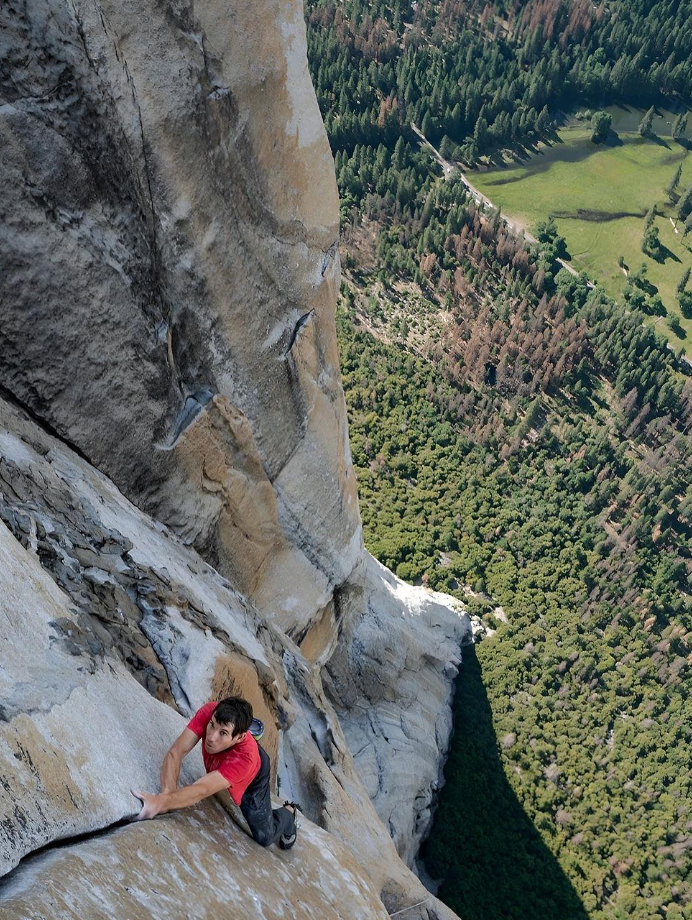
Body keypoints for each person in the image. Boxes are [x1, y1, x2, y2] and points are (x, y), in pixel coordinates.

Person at [132, 696, 298, 849]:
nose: (211, 737)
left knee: (265, 836)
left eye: (222, 733)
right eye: (211, 725)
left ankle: (289, 814)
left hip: (254, 773)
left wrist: (163, 802)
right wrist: (166, 797)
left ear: (239, 738)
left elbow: (202, 789)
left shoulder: (245, 760)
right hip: (236, 749)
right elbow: (176, 752)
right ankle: (238, 731)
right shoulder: (211, 712)